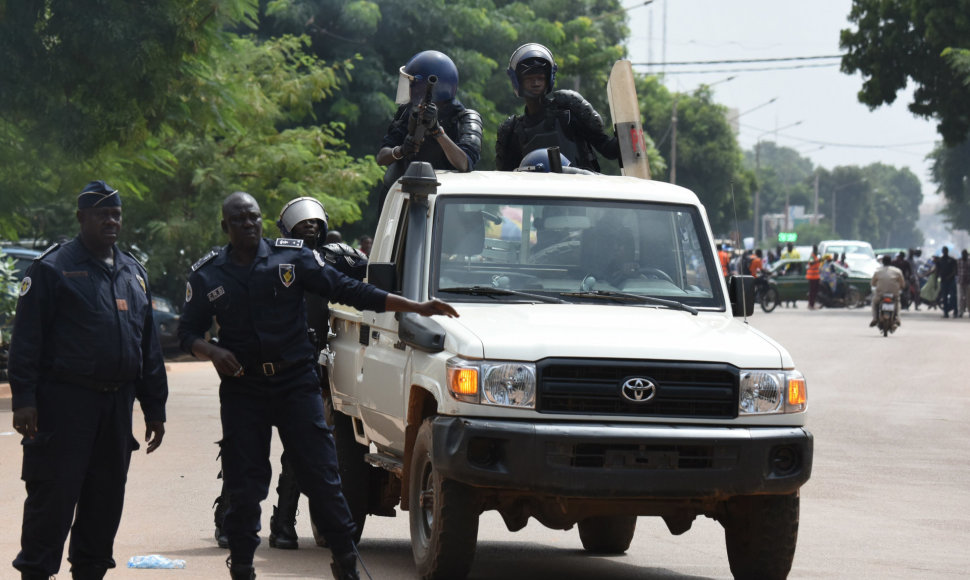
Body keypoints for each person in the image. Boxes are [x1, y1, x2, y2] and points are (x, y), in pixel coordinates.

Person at [178, 192, 458, 580]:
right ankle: (242, 567)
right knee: (245, 483)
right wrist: (211, 350)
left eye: (254, 217)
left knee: (324, 476)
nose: (249, 224)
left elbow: (350, 290)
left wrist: (414, 306)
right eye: (239, 220)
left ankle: (345, 561)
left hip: (295, 383)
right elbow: (186, 334)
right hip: (244, 389)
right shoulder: (209, 274)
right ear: (226, 226)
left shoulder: (290, 258)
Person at [8, 180, 168, 580]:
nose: (111, 221)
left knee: (104, 502)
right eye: (102, 214)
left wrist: (155, 407)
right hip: (64, 406)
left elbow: (147, 347)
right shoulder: (52, 268)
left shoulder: (134, 271)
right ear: (81, 218)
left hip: (115, 408)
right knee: (53, 499)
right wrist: (24, 398)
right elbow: (27, 339)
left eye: (116, 214)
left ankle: (91, 571)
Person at [377, 50, 483, 208]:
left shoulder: (465, 118)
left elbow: (464, 163)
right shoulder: (406, 112)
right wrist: (401, 150)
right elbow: (381, 157)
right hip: (402, 201)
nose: (409, 89)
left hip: (447, 204)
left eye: (412, 83)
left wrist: (437, 131)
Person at [495, 43, 619, 172]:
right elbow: (507, 177)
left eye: (540, 78)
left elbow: (608, 149)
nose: (536, 83)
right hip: (536, 191)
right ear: (517, 80)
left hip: (580, 189)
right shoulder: (511, 131)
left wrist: (626, 134)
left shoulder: (569, 109)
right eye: (529, 79)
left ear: (549, 78)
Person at [870, 254, 905, 328]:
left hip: (880, 294)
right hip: (894, 294)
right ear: (891, 262)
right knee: (897, 304)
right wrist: (901, 287)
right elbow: (902, 283)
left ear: (882, 262)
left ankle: (875, 318)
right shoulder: (897, 271)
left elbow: (872, 283)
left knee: (874, 303)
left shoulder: (878, 271)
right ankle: (898, 318)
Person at [936, 246, 958, 318]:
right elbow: (937, 271)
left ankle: (955, 312)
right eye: (944, 251)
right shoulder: (940, 260)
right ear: (942, 252)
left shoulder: (952, 260)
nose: (945, 252)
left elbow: (955, 270)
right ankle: (946, 312)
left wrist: (950, 276)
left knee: (953, 297)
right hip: (943, 281)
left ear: (947, 251)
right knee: (944, 297)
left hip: (951, 280)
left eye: (946, 251)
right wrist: (937, 279)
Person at [806, 245, 821, 310]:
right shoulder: (812, 256)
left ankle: (812, 304)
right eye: (815, 250)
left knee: (815, 291)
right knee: (812, 292)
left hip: (816, 276)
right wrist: (817, 261)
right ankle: (811, 305)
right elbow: (811, 263)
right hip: (812, 277)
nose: (816, 251)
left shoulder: (815, 257)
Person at [957, 249, 970, 318]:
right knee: (960, 298)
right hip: (960, 281)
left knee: (968, 298)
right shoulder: (959, 261)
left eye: (965, 254)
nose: (964, 255)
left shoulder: (969, 261)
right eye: (963, 254)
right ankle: (960, 311)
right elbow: (956, 270)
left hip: (968, 282)